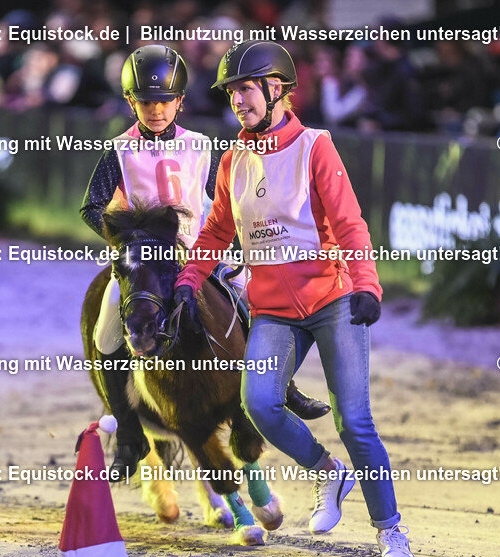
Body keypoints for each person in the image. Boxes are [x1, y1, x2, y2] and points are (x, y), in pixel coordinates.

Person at [173, 41, 415, 557]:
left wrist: (368, 285)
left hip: (333, 301)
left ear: (277, 89)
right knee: (259, 404)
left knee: (355, 421)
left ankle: (390, 531)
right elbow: (216, 230)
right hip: (274, 311)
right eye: (231, 92)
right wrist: (189, 279)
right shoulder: (232, 160)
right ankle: (328, 471)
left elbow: (350, 224)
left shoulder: (316, 147)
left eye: (245, 89)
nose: (237, 100)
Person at [80, 44, 329, 483]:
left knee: (256, 301)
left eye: (164, 101)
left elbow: (224, 198)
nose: (155, 110)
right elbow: (92, 206)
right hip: (146, 265)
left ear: (179, 101)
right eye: (145, 101)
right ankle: (131, 436)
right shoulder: (117, 151)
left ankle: (284, 389)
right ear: (130, 102)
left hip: (199, 255)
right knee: (104, 334)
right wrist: (129, 240)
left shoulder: (202, 147)